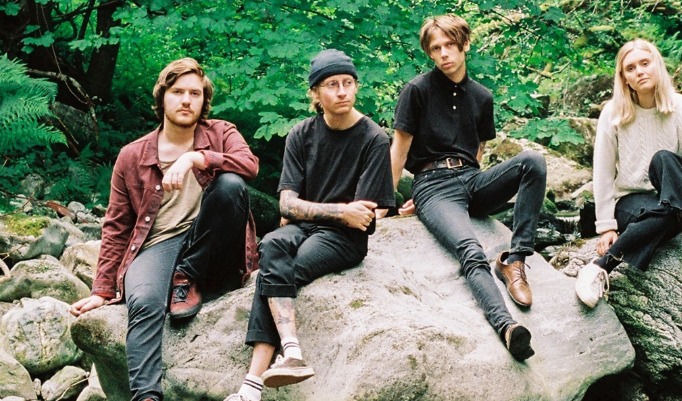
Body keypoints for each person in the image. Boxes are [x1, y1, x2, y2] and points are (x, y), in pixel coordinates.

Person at [69, 57, 260, 401]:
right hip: (159, 245)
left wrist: (195, 158)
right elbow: (117, 226)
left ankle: (189, 275)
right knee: (143, 301)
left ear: (204, 100)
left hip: (212, 242)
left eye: (195, 93)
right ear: (162, 97)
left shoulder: (221, 133)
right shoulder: (132, 155)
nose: (186, 100)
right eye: (178, 92)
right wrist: (102, 290)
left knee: (231, 185)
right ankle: (146, 395)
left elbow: (249, 165)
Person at [224, 49, 394, 401]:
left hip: (344, 240)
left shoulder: (374, 139)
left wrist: (312, 211)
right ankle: (291, 350)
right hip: (310, 227)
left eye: (348, 83)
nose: (342, 91)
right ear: (315, 93)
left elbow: (361, 217)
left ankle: (252, 385)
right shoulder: (301, 134)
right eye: (332, 85)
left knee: (276, 272)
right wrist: (339, 210)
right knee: (272, 244)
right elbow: (286, 204)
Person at [390, 14, 547, 362]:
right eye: (436, 48)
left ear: (465, 45)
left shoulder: (482, 96)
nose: (443, 54)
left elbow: (478, 149)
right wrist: (389, 201)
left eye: (450, 45)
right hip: (433, 186)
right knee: (471, 250)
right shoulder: (417, 90)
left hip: (473, 180)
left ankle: (515, 260)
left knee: (532, 162)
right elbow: (399, 149)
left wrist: (472, 182)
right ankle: (507, 327)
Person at [575, 39, 682, 308]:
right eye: (631, 68)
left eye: (645, 63)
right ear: (624, 78)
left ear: (658, 66)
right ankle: (599, 267)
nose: (639, 71)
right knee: (668, 214)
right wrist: (606, 226)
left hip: (675, 196)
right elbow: (603, 172)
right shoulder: (613, 113)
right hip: (632, 201)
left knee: (665, 159)